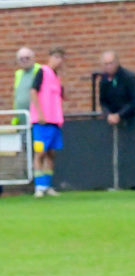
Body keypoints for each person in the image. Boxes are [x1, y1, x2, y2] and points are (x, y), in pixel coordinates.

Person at [30, 47, 65, 198]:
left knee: (51, 153)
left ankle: (47, 185)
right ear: (49, 57)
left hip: (55, 121)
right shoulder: (42, 71)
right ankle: (39, 186)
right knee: (40, 152)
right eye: (55, 57)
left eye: (60, 58)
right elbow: (33, 91)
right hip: (41, 122)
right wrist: (39, 113)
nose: (58, 60)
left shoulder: (57, 77)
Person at [98, 51, 135, 127]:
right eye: (106, 64)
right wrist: (108, 114)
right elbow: (103, 101)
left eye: (111, 63)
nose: (109, 66)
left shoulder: (129, 78)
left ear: (117, 63)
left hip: (134, 120)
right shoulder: (104, 80)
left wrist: (120, 115)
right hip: (113, 121)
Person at [12, 47, 39, 126]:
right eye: (21, 59)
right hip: (21, 119)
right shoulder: (18, 74)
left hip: (36, 119)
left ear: (33, 58)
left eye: (27, 58)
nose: (24, 60)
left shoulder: (39, 70)